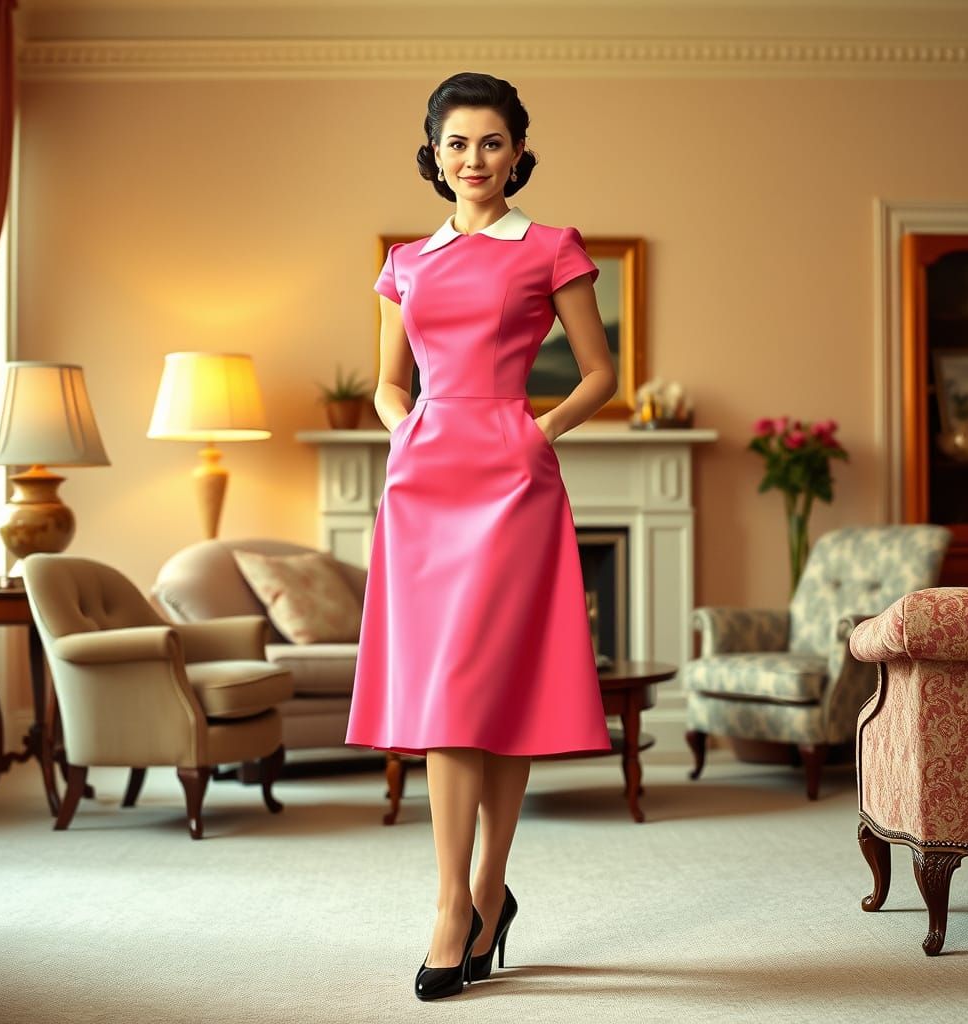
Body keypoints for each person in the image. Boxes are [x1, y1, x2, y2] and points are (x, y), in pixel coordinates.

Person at [344, 71, 617, 1000]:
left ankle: (482, 893)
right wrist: (405, 427)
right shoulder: (404, 263)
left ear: (517, 152)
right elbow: (388, 384)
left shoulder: (551, 248)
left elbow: (599, 374)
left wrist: (530, 431)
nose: (474, 160)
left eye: (491, 143)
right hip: (424, 485)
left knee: (499, 693)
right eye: (457, 144)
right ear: (435, 155)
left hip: (513, 483)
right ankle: (454, 905)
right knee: (446, 696)